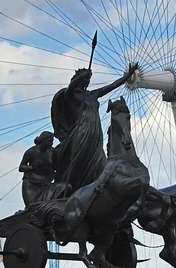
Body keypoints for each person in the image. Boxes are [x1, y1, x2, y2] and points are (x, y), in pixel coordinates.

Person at [51, 64, 138, 193]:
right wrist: (81, 76)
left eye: (88, 79)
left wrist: (126, 77)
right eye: (85, 79)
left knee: (101, 162)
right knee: (79, 161)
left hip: (95, 133)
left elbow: (111, 87)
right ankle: (68, 188)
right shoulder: (69, 94)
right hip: (81, 132)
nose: (87, 82)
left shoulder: (92, 94)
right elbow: (71, 87)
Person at [18, 131, 68, 207]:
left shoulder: (52, 151)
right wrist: (32, 167)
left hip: (46, 184)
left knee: (66, 187)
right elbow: (21, 168)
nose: (51, 143)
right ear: (43, 140)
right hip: (31, 184)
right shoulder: (31, 152)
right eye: (50, 141)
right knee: (33, 208)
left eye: (52, 141)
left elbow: (56, 166)